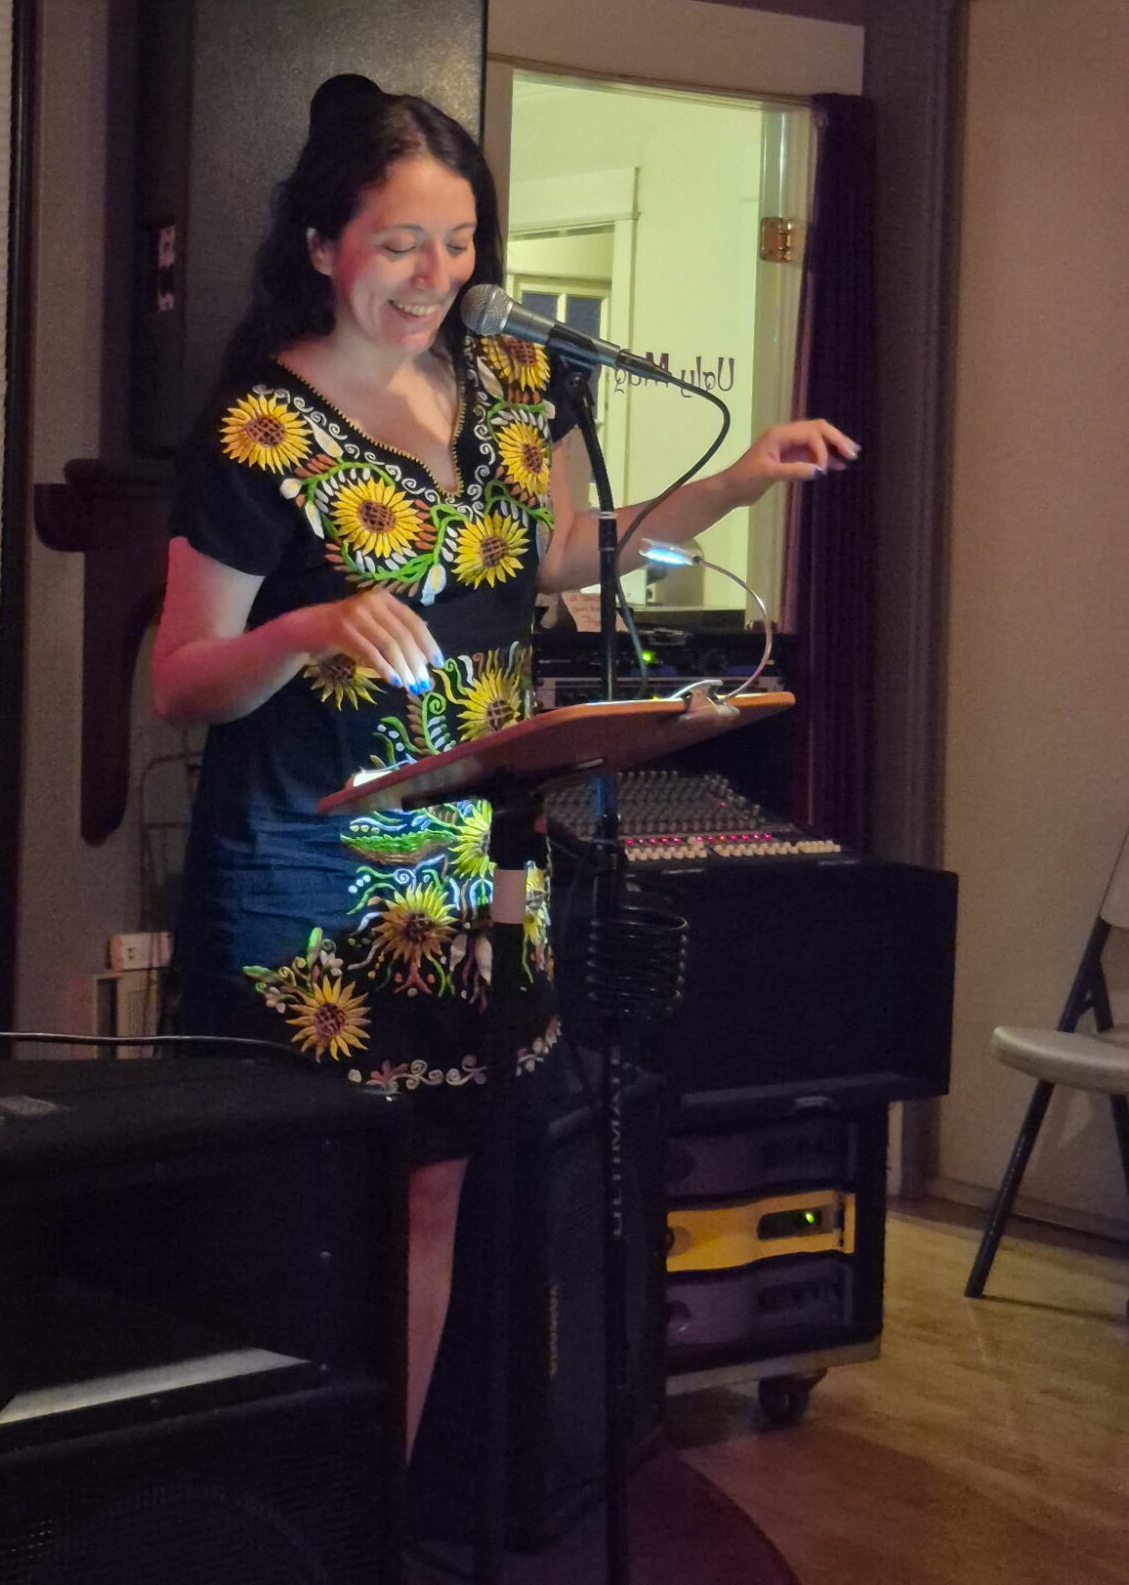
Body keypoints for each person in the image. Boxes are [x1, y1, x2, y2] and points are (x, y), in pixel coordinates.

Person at [151, 74, 857, 1449]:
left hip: (475, 868)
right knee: (307, 1206)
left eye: (461, 240)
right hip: (304, 873)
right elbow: (182, 679)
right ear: (324, 246)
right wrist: (306, 626)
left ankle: (386, 1500)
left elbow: (558, 558)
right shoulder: (257, 432)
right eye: (402, 243)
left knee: (437, 1192)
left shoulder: (514, 383)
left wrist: (738, 481)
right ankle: (285, 1503)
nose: (436, 275)